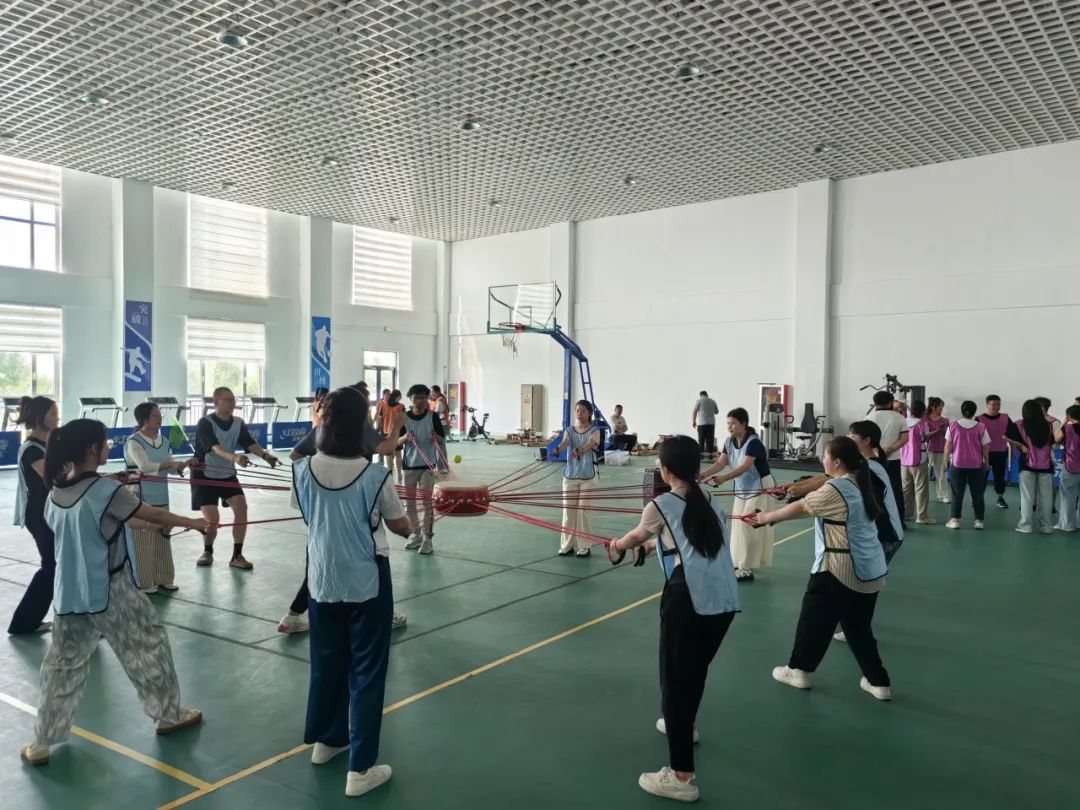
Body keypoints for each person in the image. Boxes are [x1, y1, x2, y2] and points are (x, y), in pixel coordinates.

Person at [19, 419, 206, 767]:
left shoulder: (56, 491)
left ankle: (42, 741)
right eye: (105, 443)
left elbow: (117, 518)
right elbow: (147, 511)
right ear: (92, 449)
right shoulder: (107, 490)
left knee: (62, 667)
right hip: (111, 591)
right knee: (148, 647)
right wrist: (192, 522)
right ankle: (168, 715)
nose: (109, 448)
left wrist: (147, 524)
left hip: (69, 595)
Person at [292, 387, 410, 797]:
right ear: (361, 423)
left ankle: (329, 741)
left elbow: (307, 513)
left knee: (327, 663)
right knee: (367, 672)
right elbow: (400, 526)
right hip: (367, 583)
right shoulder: (375, 476)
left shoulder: (302, 469)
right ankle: (360, 769)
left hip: (322, 580)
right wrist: (421, 520)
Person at [608, 435, 738, 803]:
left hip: (688, 600)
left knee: (675, 682)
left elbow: (635, 536)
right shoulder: (707, 497)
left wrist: (617, 546)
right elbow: (682, 537)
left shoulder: (660, 504)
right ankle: (685, 725)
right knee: (693, 670)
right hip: (724, 601)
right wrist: (651, 545)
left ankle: (682, 777)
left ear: (665, 471)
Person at [751, 436, 892, 702]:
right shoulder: (857, 482)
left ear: (837, 462)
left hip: (838, 568)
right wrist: (794, 489)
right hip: (870, 568)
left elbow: (802, 508)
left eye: (825, 456)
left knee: (813, 622)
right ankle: (878, 682)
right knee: (858, 628)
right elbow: (810, 497)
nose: (822, 460)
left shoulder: (836, 488)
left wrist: (765, 517)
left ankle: (798, 670)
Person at [279, 404, 408, 635]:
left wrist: (321, 468)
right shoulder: (361, 433)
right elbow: (388, 449)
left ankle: (293, 616)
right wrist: (397, 426)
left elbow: (294, 455)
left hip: (323, 530)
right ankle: (382, 616)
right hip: (356, 527)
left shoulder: (319, 433)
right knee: (366, 573)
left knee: (321, 570)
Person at [190, 387, 278, 569]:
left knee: (241, 508)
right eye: (228, 400)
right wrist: (235, 458)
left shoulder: (238, 422)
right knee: (212, 520)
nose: (233, 403)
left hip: (227, 474)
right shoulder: (205, 423)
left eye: (233, 399)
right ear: (216, 402)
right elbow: (216, 448)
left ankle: (237, 555)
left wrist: (265, 455)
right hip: (204, 475)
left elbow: (249, 443)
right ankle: (207, 551)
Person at [700, 407, 775, 582]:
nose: (729, 426)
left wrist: (724, 478)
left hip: (760, 487)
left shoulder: (754, 443)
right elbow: (721, 463)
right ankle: (738, 562)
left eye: (733, 423)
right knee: (738, 525)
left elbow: (745, 467)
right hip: (742, 487)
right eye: (728, 423)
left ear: (744, 424)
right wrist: (703, 475)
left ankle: (746, 568)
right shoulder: (728, 441)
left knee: (749, 526)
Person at [124, 402, 190, 593]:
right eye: (155, 415)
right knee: (143, 540)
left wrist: (182, 465)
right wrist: (170, 464)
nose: (159, 418)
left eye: (160, 415)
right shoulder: (134, 442)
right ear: (144, 419)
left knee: (163, 534)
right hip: (140, 495)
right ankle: (145, 581)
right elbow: (145, 466)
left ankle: (164, 577)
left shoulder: (165, 441)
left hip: (161, 494)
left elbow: (171, 468)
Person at [8, 396, 59, 635]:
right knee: (52, 565)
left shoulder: (48, 444)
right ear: (39, 417)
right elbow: (54, 478)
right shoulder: (31, 449)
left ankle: (33, 620)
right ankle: (23, 622)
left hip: (51, 511)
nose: (57, 417)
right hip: (39, 514)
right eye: (52, 413)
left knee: (58, 565)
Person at [402, 384, 446, 555]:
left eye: (422, 397)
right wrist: (405, 438)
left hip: (428, 466)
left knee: (427, 503)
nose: (419, 401)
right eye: (416, 398)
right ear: (410, 399)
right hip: (409, 466)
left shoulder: (432, 416)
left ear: (427, 398)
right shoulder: (404, 417)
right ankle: (416, 534)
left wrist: (436, 438)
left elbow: (442, 439)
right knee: (409, 504)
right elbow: (396, 442)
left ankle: (428, 538)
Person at [555, 400, 601, 556]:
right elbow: (565, 442)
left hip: (589, 476)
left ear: (589, 413)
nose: (579, 414)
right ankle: (567, 545)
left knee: (583, 510)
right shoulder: (569, 430)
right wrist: (558, 449)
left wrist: (581, 450)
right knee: (568, 511)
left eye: (582, 411)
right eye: (577, 411)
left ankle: (584, 546)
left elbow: (591, 443)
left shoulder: (595, 430)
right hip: (571, 476)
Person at [1008, 400, 1055, 534]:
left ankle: (1026, 525)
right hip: (1046, 465)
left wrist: (1020, 445)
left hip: (1027, 465)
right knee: (1046, 497)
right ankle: (1046, 526)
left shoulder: (1019, 424)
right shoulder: (1048, 425)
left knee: (1027, 497)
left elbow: (1005, 437)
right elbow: (1052, 442)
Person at [943, 401, 991, 530]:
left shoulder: (952, 426)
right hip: (976, 465)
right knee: (978, 494)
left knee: (957, 493)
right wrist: (987, 462)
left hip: (957, 465)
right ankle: (979, 521)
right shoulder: (981, 427)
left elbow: (948, 446)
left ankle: (955, 520)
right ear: (974, 412)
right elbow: (985, 447)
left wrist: (945, 462)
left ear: (962, 411)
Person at [868, 391, 908, 520]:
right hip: (893, 459)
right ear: (890, 402)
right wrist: (890, 449)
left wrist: (877, 450)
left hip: (873, 459)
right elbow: (904, 438)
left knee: (874, 489)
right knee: (895, 489)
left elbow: (864, 440)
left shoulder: (868, 418)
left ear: (875, 402)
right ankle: (899, 521)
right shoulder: (899, 417)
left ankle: (876, 519)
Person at [900, 400, 933, 525]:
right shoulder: (923, 424)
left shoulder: (903, 422)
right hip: (919, 460)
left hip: (904, 460)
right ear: (923, 411)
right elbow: (925, 437)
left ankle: (905, 513)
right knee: (921, 488)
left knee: (906, 488)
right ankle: (922, 516)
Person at [978, 395, 1013, 509]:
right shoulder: (979, 419)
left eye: (998, 404)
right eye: (993, 405)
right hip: (984, 453)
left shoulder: (1005, 418)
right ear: (987, 405)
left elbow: (1012, 434)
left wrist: (1012, 448)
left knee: (1000, 477)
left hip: (1000, 452)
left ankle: (1000, 498)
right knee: (981, 477)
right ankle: (978, 497)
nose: (996, 407)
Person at [1055, 405, 1080, 531]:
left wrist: (1064, 422)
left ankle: (1067, 525)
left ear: (1069, 416)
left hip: (1071, 467)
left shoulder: (1068, 428)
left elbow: (1056, 438)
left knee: (1067, 498)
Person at [923, 397, 950, 503]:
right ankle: (923, 495)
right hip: (928, 450)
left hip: (941, 449)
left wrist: (943, 430)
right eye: (940, 407)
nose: (941, 409)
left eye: (942, 407)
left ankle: (943, 495)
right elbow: (925, 436)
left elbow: (948, 435)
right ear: (933, 407)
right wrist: (936, 431)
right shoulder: (925, 420)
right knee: (924, 474)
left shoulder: (945, 420)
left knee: (942, 474)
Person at [381, 390, 406, 482]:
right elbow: (404, 420)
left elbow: (380, 418)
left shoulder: (384, 405)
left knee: (388, 454)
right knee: (398, 453)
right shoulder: (401, 406)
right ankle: (399, 473)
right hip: (397, 433)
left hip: (386, 432)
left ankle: (390, 472)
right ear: (398, 396)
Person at [691, 391, 719, 457]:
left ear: (700, 395)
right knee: (710, 440)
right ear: (707, 394)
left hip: (702, 423)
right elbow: (716, 412)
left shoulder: (699, 401)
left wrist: (693, 422)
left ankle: (701, 456)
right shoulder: (712, 401)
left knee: (701, 440)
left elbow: (694, 411)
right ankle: (710, 456)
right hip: (711, 423)